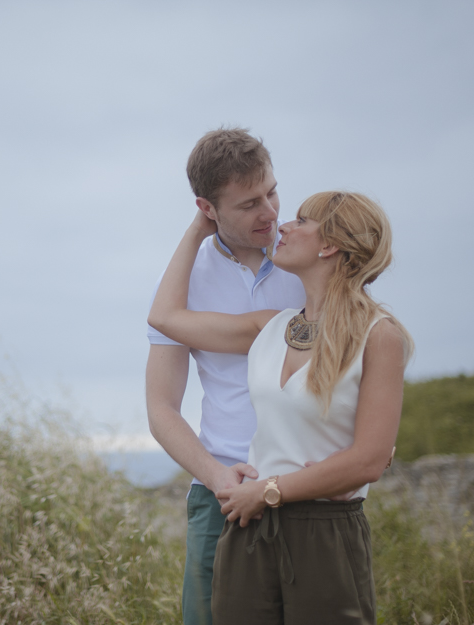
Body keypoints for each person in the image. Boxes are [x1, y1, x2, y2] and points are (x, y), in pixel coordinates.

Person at [148, 191, 414, 624]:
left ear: (328, 246)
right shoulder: (270, 327)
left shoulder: (379, 336)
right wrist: (203, 224)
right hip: (249, 527)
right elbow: (163, 318)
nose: (283, 225)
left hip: (323, 527)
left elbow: (369, 459)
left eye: (302, 221)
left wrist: (268, 490)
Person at [145, 127, 305, 625]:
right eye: (249, 204)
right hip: (221, 496)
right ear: (207, 208)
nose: (271, 212)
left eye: (273, 192)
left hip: (307, 486)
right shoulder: (182, 282)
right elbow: (161, 409)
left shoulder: (308, 259)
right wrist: (217, 479)